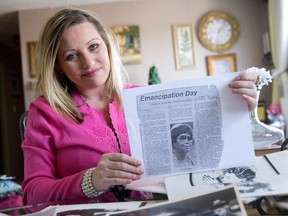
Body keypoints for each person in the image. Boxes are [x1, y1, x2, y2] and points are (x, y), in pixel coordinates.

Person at [21, 8, 259, 205]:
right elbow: (32, 194)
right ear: (58, 66)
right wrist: (91, 180)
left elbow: (204, 147)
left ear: (107, 45)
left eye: (93, 47)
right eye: (72, 56)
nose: (89, 62)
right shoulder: (45, 113)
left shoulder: (143, 96)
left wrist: (238, 111)